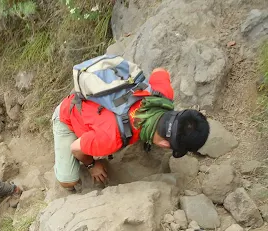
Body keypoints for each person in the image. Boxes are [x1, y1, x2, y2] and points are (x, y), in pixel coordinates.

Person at [52, 68, 210, 189]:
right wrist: (92, 165)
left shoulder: (162, 95)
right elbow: (76, 148)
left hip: (96, 106)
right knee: (68, 181)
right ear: (164, 145)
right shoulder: (110, 138)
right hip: (67, 117)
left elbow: (159, 71)